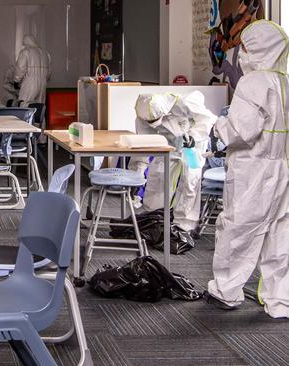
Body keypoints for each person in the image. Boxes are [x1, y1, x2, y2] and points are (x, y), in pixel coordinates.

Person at [204, 20, 289, 318]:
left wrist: (219, 127)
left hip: (253, 168)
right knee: (279, 233)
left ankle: (226, 291)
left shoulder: (254, 83)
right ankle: (280, 299)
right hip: (281, 167)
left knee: (238, 227)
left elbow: (242, 130)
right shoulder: (284, 81)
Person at [130, 92, 216, 233]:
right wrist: (137, 174)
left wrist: (194, 136)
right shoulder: (142, 117)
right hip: (169, 143)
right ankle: (153, 218)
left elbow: (207, 120)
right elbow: (143, 146)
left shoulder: (186, 102)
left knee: (189, 181)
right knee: (158, 175)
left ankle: (185, 225)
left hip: (193, 143)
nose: (152, 123)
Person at [13, 34, 50, 105]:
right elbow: (49, 73)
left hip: (30, 82)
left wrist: (16, 80)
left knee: (25, 105)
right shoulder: (45, 53)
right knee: (39, 107)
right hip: (43, 84)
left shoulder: (26, 52)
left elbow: (20, 68)